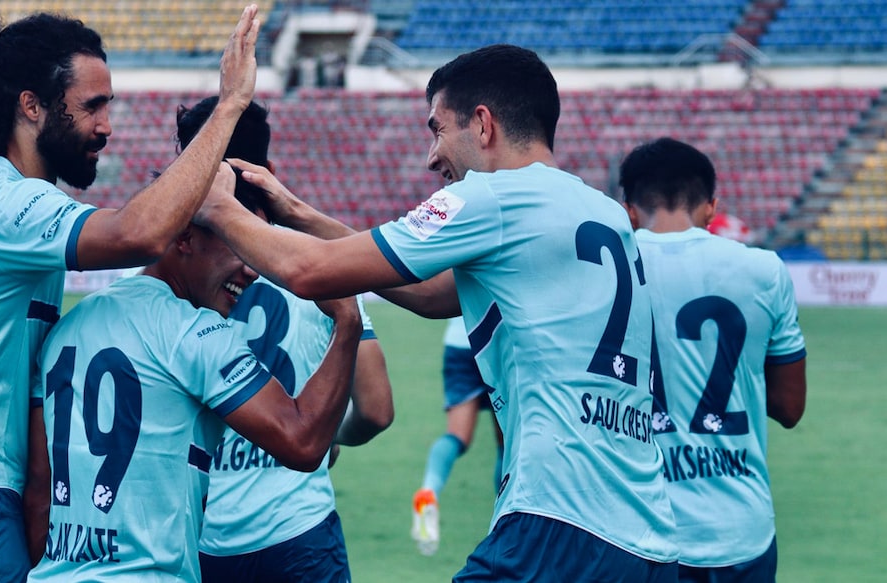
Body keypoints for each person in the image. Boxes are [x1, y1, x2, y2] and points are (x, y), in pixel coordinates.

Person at [197, 44, 678, 581]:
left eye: (438, 129)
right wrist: (298, 213)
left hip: (558, 519)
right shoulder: (603, 212)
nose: (431, 156)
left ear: (483, 125)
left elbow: (308, 273)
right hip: (646, 532)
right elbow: (431, 293)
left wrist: (216, 204)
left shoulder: (491, 197)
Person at [0, 4, 261, 581]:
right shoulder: (1, 203)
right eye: (91, 106)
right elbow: (138, 234)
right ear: (32, 106)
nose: (107, 126)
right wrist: (228, 108)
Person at [27, 166, 361, 581]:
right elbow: (303, 441)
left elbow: (39, 496)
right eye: (240, 243)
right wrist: (348, 320)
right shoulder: (195, 333)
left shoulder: (66, 331)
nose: (253, 270)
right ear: (184, 237)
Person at [170, 96, 393, 583]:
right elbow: (376, 409)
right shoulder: (323, 264)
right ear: (269, 172)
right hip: (299, 532)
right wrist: (321, 429)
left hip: (198, 536)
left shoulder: (168, 265)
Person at [619, 137, 807, 582]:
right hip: (741, 531)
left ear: (629, 211)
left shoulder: (609, 269)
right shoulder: (765, 270)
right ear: (711, 208)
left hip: (640, 529)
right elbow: (789, 407)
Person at [411, 315, 502, 557]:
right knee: (506, 442)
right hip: (499, 345)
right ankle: (504, 519)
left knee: (457, 434)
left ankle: (428, 491)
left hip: (459, 342)